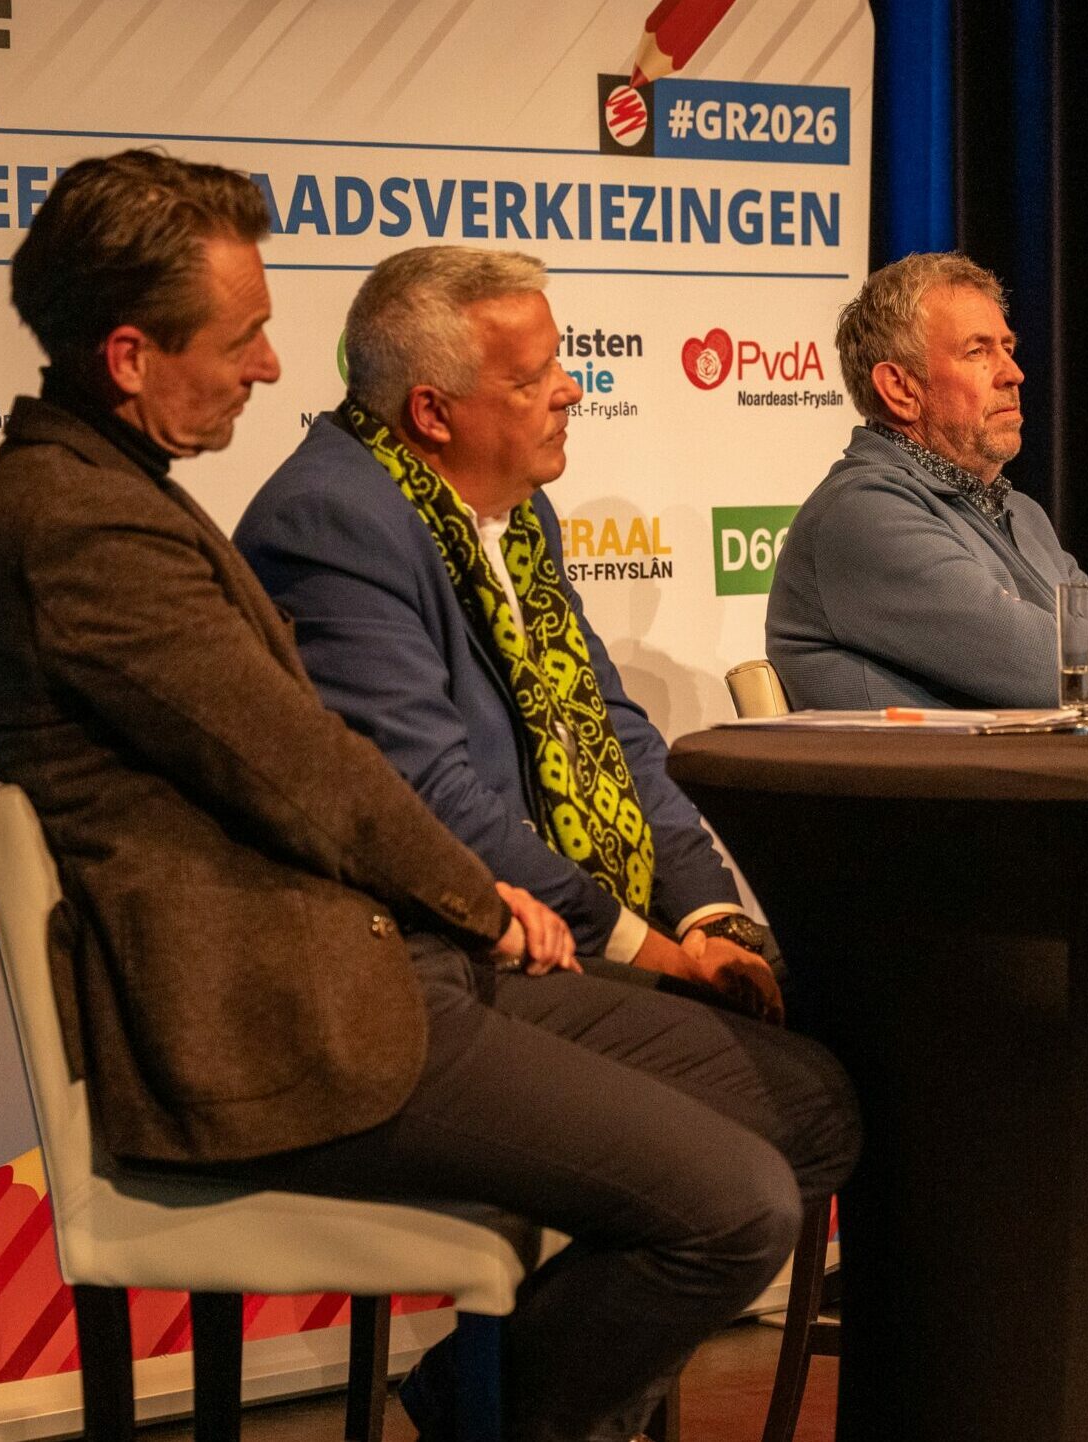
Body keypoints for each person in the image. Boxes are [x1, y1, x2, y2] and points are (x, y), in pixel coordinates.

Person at [0, 152, 856, 1442]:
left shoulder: (119, 494)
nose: (272, 366)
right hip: (293, 1027)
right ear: (130, 356)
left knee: (808, 1106)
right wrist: (485, 901)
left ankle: (482, 1405)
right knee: (735, 1204)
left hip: (389, 970)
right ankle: (487, 1418)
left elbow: (370, 760)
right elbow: (310, 770)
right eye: (243, 337)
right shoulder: (80, 526)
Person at [235, 246, 778, 1017]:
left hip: (582, 923)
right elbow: (433, 802)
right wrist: (656, 953)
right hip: (461, 957)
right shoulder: (331, 524)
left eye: (558, 360)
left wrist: (710, 916)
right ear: (432, 413)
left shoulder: (519, 511)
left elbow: (606, 721)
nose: (570, 388)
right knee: (795, 1074)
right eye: (531, 379)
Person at [765, 252, 1088, 709]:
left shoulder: (1023, 513)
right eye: (977, 352)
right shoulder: (863, 514)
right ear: (900, 389)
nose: (1014, 374)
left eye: (1007, 348)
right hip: (923, 760)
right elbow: (1050, 671)